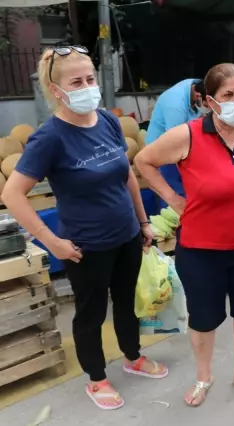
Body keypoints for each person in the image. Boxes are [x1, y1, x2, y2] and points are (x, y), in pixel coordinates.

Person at [1, 46, 167, 411]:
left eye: (90, 78)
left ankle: (133, 356)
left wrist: (142, 221)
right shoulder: (50, 138)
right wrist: (50, 242)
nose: (87, 86)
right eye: (77, 81)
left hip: (125, 236)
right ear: (56, 90)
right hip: (85, 245)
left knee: (127, 301)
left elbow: (127, 176)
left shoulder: (106, 120)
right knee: (90, 313)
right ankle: (96, 377)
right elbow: (12, 194)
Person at [134, 63, 234, 407]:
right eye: (228, 95)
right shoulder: (189, 134)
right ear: (211, 101)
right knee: (204, 318)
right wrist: (173, 199)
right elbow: (143, 160)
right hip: (202, 250)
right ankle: (204, 376)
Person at [145, 78, 207, 208]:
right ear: (198, 95)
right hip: (165, 151)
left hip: (182, 146)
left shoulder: (195, 84)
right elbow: (175, 142)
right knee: (172, 192)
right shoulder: (175, 105)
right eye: (205, 104)